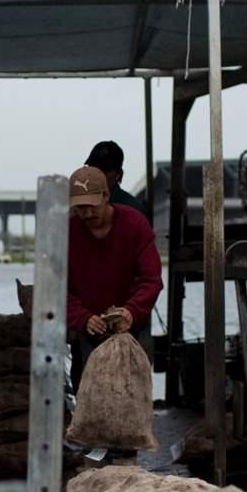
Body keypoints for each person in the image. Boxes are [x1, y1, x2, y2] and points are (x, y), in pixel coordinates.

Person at [65, 164, 162, 387]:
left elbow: (151, 280)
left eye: (92, 206)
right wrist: (83, 318)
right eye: (80, 208)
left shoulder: (135, 224)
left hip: (134, 323)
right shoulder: (68, 233)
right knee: (89, 388)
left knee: (136, 387)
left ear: (106, 195)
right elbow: (59, 290)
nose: (87, 214)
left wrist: (131, 311)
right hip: (89, 326)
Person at [84, 140, 151, 220]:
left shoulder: (132, 210)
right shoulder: (79, 205)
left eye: (104, 170)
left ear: (117, 174)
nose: (97, 174)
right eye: (93, 168)